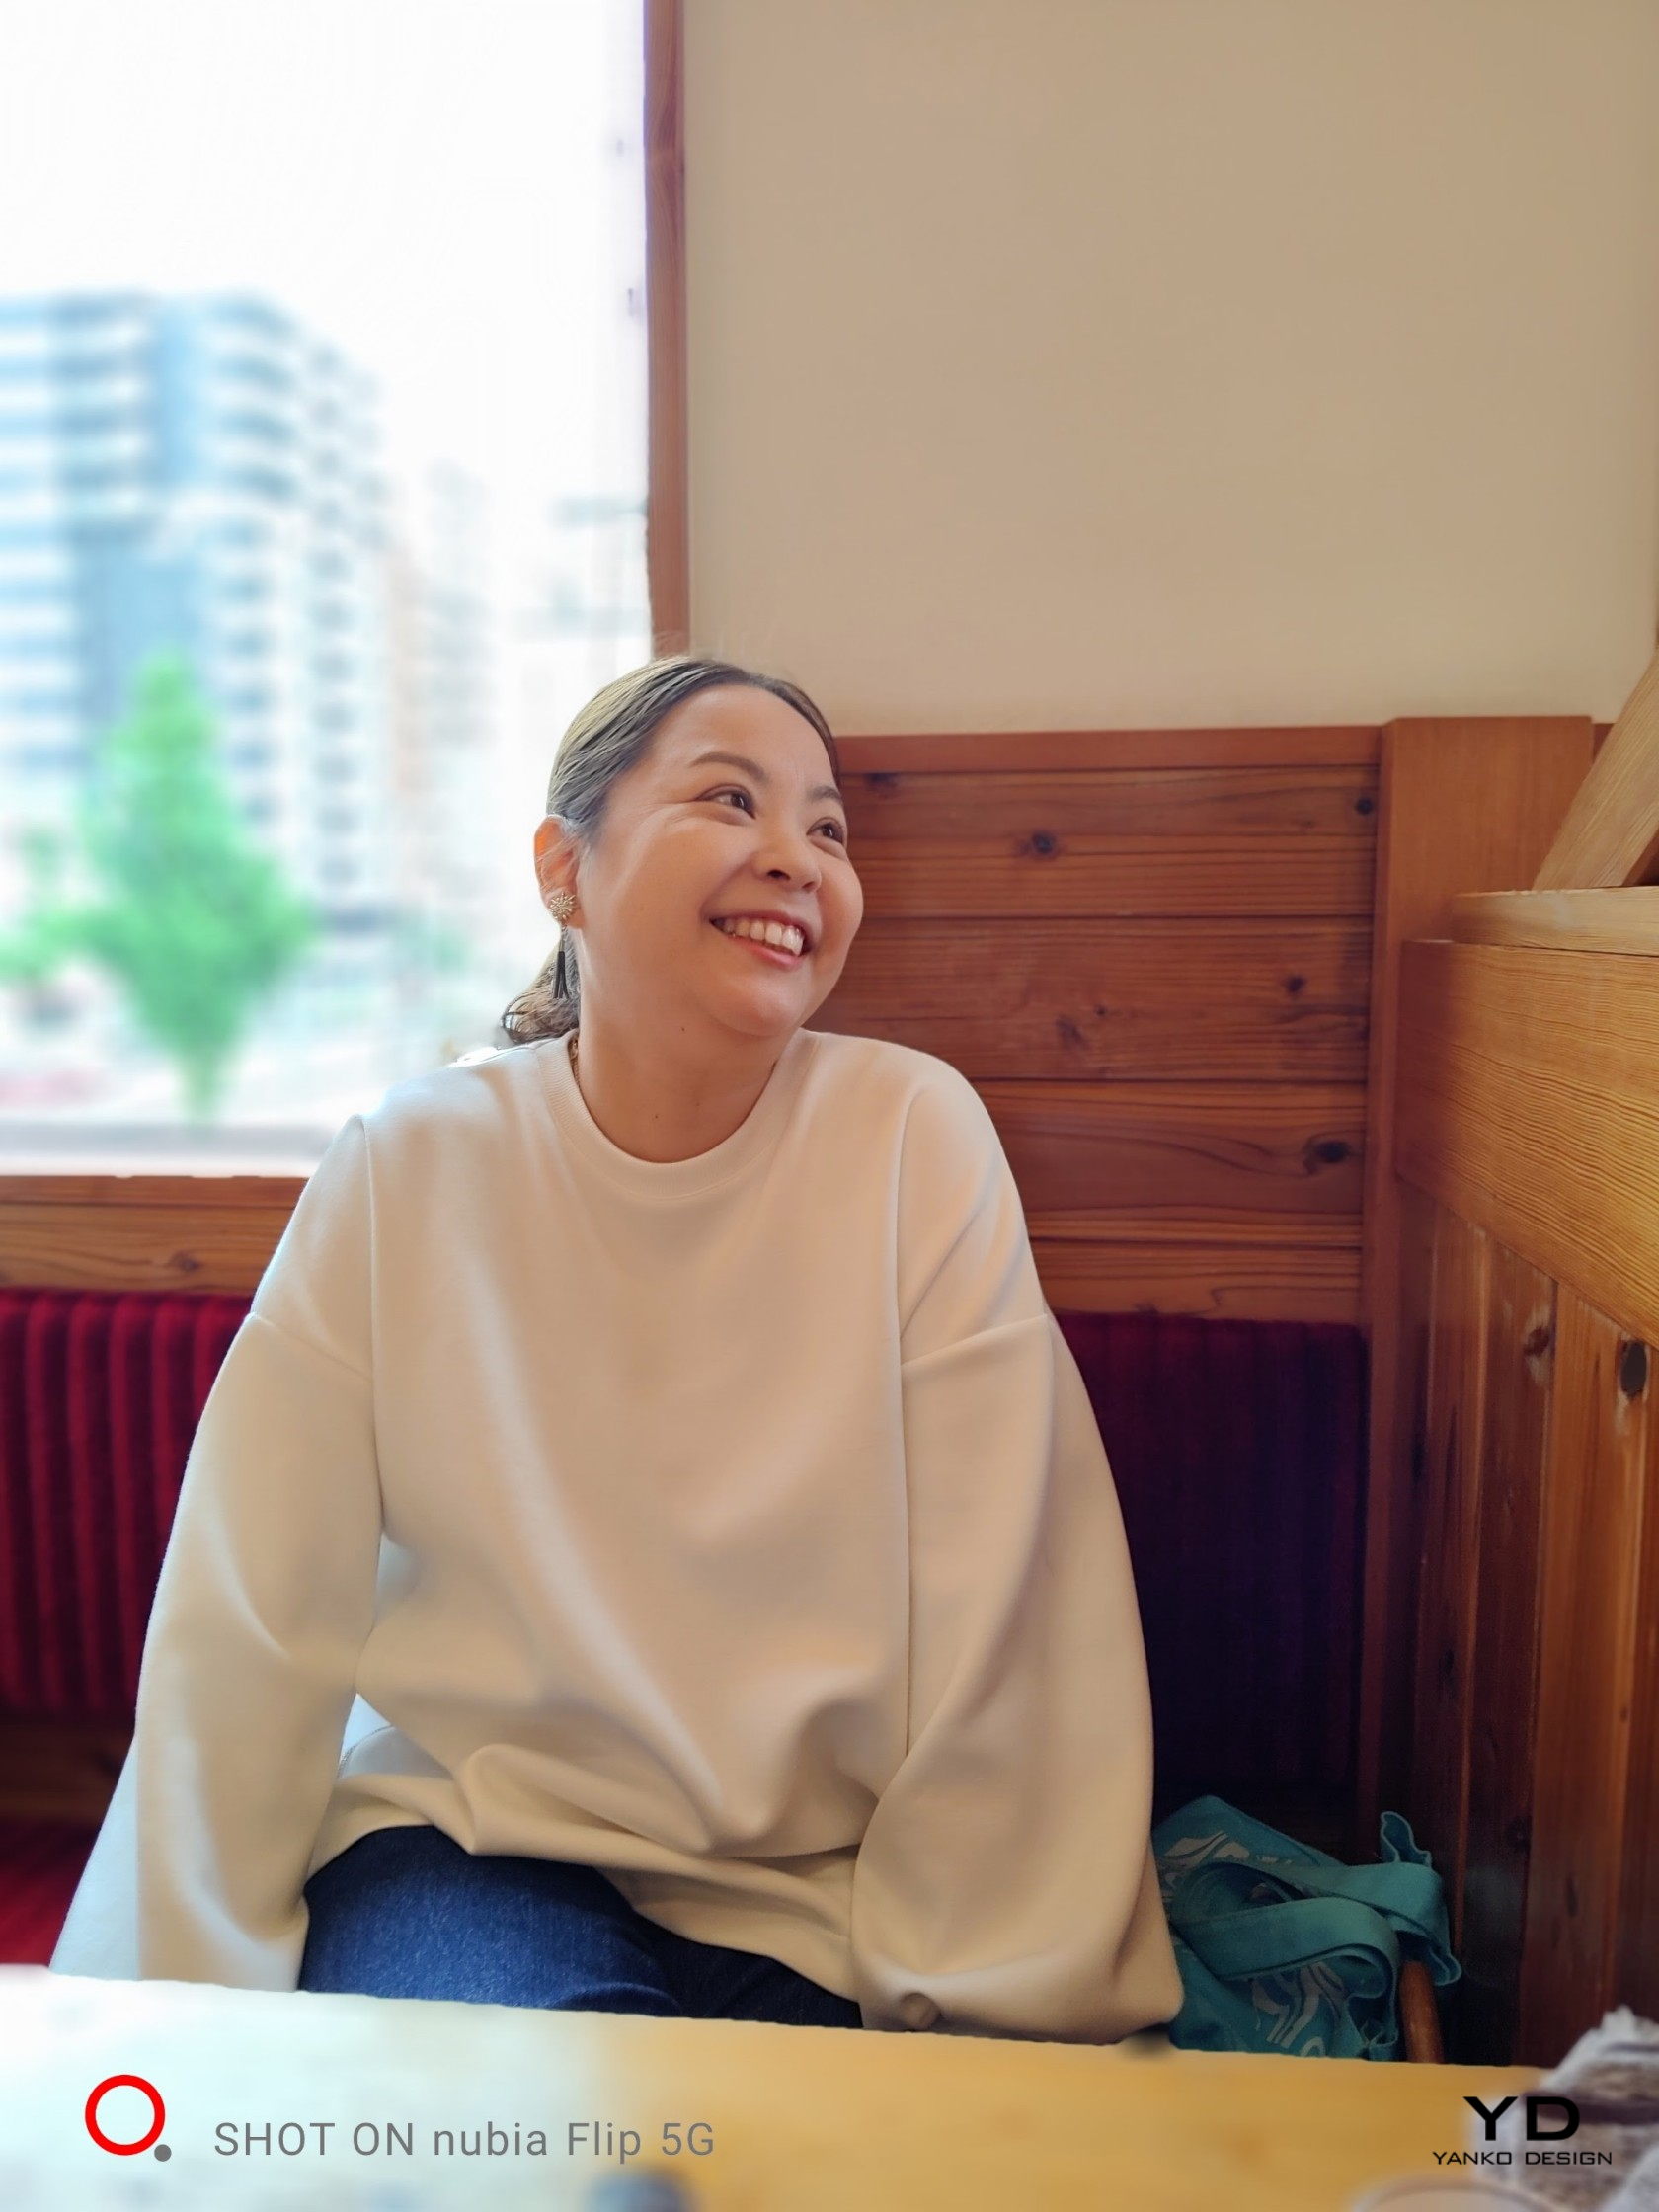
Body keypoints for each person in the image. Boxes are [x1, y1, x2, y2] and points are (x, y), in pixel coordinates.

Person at [49, 653, 1184, 2039]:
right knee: (550, 2146)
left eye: (828, 827)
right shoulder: (412, 1162)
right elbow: (253, 1609)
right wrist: (179, 2025)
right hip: (463, 1842)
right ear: (563, 870)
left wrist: (992, 1994)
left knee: (787, 2154)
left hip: (814, 1885)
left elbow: (1012, 1608)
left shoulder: (910, 1135)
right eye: (731, 800)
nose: (797, 858)